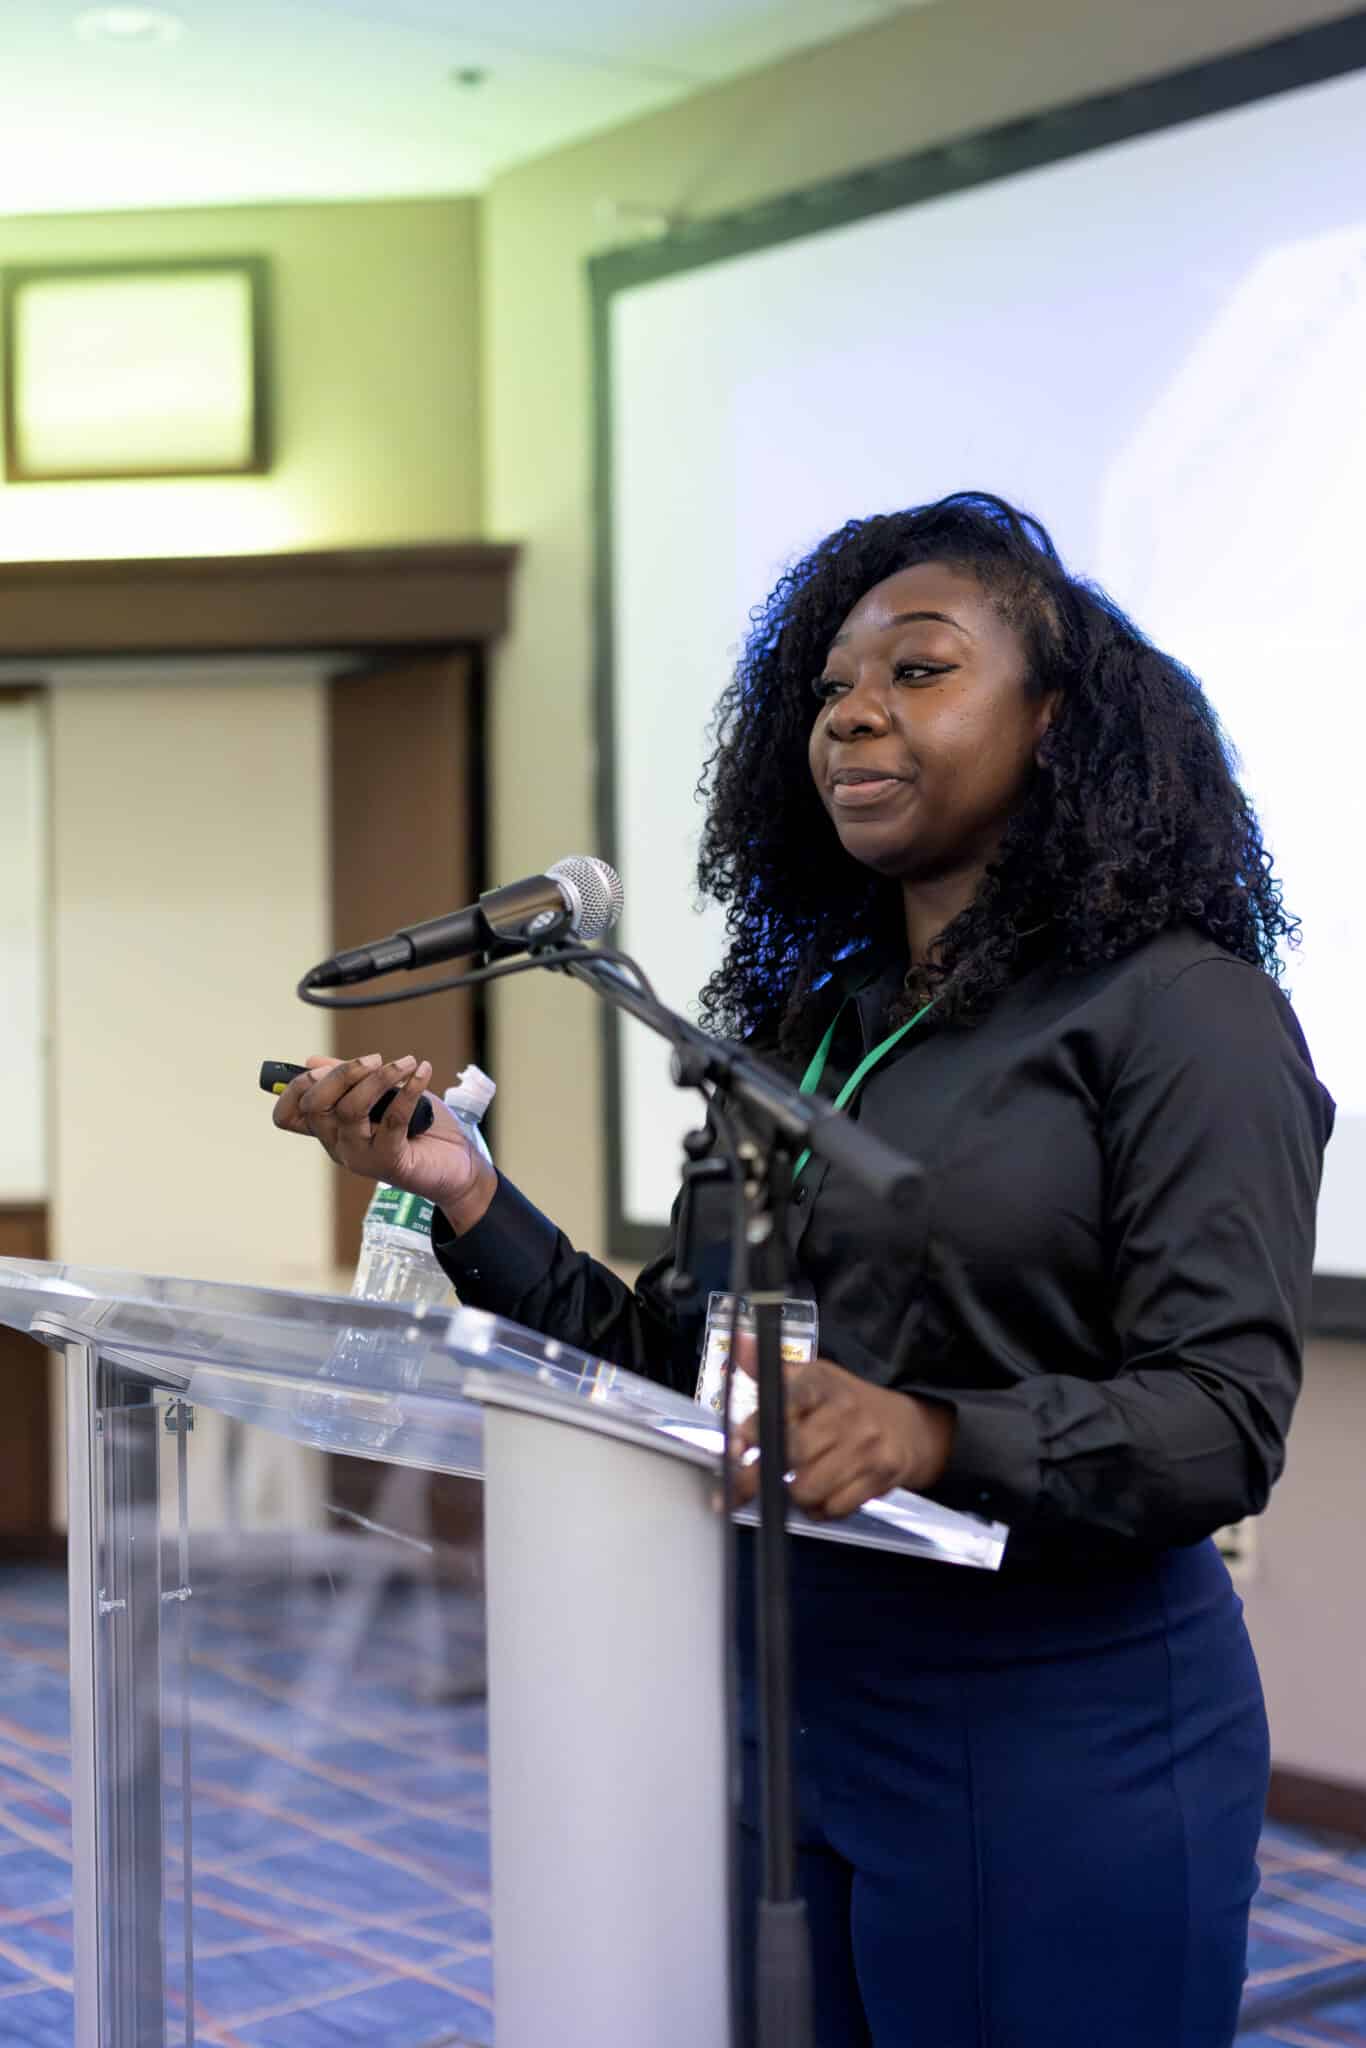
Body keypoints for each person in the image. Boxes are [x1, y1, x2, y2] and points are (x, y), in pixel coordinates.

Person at [275, 492, 1333, 2048]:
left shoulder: (1182, 1013)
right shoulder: (813, 1030)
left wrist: (929, 1433)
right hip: (792, 1711)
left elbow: (1217, 1421)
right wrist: (467, 1197)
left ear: (1055, 720)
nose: (851, 713)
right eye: (830, 686)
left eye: (918, 671)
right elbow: (681, 1363)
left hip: (1054, 1722)